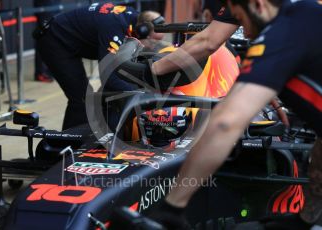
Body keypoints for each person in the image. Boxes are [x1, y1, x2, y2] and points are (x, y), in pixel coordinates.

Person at [145, 0, 322, 229]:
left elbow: (224, 124)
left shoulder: (281, 33)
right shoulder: (307, 14)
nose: (244, 32)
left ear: (258, 5)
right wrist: (305, 219)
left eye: (241, 20)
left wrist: (173, 207)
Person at [35, 2, 164, 130]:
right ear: (141, 31)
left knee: (107, 95)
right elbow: (109, 77)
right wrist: (141, 95)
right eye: (153, 41)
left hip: (72, 40)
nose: (154, 46)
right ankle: (67, 144)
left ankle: (96, 132)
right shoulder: (114, 28)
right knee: (83, 99)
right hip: (55, 42)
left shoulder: (137, 20)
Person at [33, 0, 61, 82]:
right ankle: (41, 72)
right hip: (45, 5)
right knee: (44, 37)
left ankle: (51, 71)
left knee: (54, 38)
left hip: (54, 5)